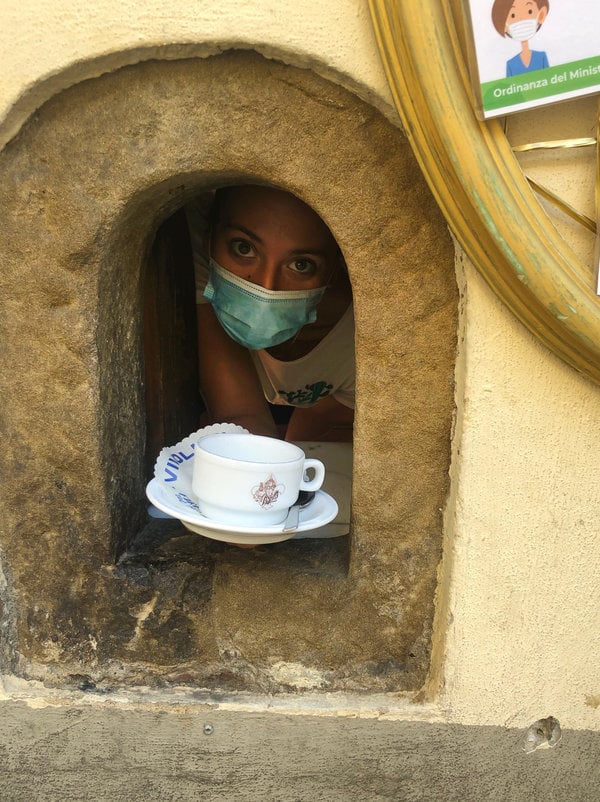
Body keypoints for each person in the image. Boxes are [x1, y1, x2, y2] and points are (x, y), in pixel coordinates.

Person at [185, 184, 354, 443]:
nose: (266, 288)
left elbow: (319, 418)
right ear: (209, 239)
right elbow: (239, 415)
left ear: (334, 269)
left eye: (301, 265)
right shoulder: (200, 248)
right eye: (243, 248)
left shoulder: (357, 339)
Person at [491, 0, 550, 77]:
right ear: (504, 26)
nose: (522, 19)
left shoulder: (541, 57)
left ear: (541, 15)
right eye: (513, 15)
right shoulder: (511, 65)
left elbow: (549, 79)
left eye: (529, 11)